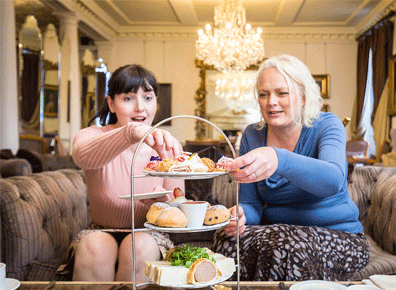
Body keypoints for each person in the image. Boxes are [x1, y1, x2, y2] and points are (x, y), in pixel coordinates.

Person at [212, 54, 370, 281]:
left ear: (303, 97)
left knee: (287, 249)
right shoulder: (252, 135)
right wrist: (242, 214)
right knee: (226, 241)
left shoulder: (327, 125)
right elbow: (252, 203)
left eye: (281, 93)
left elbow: (333, 181)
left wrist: (279, 159)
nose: (271, 102)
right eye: (264, 94)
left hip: (339, 234)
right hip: (279, 234)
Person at [66, 64, 184, 282]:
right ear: (111, 103)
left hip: (149, 234)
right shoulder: (92, 135)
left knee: (138, 246)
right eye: (128, 98)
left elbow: (179, 207)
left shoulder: (167, 145)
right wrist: (131, 133)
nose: (140, 108)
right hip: (100, 231)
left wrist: (164, 204)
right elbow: (83, 156)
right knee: (95, 246)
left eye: (148, 98)